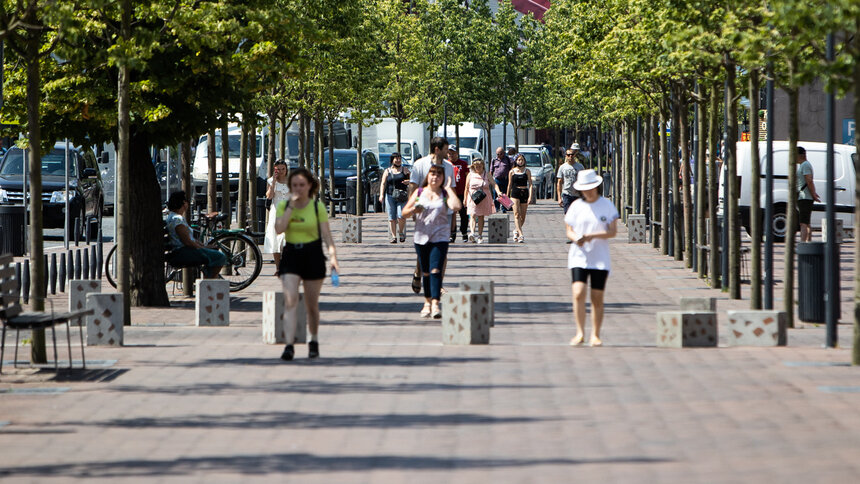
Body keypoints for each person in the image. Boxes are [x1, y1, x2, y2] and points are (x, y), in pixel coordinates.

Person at [274, 167, 340, 361]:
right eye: (294, 185)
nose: (298, 189)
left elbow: (327, 236)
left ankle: (314, 340)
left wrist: (333, 257)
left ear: (309, 186)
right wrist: (290, 208)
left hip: (313, 254)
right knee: (291, 299)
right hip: (292, 253)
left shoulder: (316, 207)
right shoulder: (284, 206)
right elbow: (279, 229)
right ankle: (289, 345)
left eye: (302, 185)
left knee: (312, 304)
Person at [564, 169, 618, 347]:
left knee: (596, 296)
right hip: (579, 256)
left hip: (599, 257)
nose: (588, 192)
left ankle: (595, 334)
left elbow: (612, 232)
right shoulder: (576, 206)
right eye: (585, 189)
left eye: (591, 188)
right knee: (578, 292)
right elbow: (569, 230)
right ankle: (580, 332)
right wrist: (576, 238)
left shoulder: (607, 205)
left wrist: (591, 236)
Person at [402, 164, 462, 318]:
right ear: (427, 176)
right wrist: (414, 210)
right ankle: (427, 302)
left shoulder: (444, 193)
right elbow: (404, 213)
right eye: (432, 174)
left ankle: (435, 304)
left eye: (438, 174)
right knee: (427, 272)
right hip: (421, 238)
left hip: (440, 238)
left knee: (436, 270)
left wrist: (449, 189)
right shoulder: (419, 192)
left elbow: (456, 206)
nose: (435, 177)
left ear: (442, 178)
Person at [408, 137, 455, 293]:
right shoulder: (419, 165)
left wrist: (453, 214)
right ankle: (418, 271)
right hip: (424, 213)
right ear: (437, 149)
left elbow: (451, 191)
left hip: (443, 213)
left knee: (441, 250)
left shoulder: (449, 167)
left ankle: (438, 284)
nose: (447, 153)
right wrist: (414, 208)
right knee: (425, 248)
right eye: (445, 150)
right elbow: (413, 188)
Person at [164, 191, 227, 278]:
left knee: (214, 252)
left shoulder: (172, 217)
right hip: (182, 253)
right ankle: (208, 283)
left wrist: (203, 246)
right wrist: (203, 248)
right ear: (183, 203)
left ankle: (208, 280)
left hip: (181, 251)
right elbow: (188, 242)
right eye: (186, 200)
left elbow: (190, 240)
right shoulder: (177, 220)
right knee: (220, 257)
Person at [264, 160, 290, 274]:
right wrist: (273, 182)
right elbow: (269, 196)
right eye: (278, 169)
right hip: (276, 212)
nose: (281, 172)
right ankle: (278, 268)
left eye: (283, 169)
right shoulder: (271, 181)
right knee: (276, 239)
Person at [378, 152, 410, 243]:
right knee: (392, 217)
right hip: (390, 196)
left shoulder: (405, 170)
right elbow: (383, 183)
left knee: (401, 216)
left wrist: (409, 181)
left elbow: (413, 180)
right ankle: (393, 236)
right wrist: (381, 195)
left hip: (402, 196)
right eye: (396, 158)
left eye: (400, 158)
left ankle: (401, 232)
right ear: (392, 160)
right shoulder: (387, 171)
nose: (398, 160)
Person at [464, 158, 496, 243]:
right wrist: (465, 199)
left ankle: (480, 235)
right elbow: (466, 188)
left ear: (483, 166)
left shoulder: (487, 174)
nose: (478, 168)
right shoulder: (470, 175)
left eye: (479, 166)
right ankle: (472, 233)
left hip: (483, 198)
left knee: (481, 216)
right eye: (476, 166)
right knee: (472, 215)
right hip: (472, 198)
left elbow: (494, 184)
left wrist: (499, 192)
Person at [507, 154, 533, 243]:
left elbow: (530, 184)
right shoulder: (512, 172)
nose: (520, 161)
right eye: (518, 160)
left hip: (524, 192)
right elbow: (509, 184)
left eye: (522, 160)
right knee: (517, 214)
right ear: (516, 161)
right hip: (515, 193)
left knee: (523, 216)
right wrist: (507, 196)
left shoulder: (527, 171)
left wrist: (530, 196)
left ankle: (516, 231)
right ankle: (521, 234)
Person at [796, 146, 820, 242]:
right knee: (807, 222)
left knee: (803, 223)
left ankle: (803, 243)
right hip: (804, 196)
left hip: (805, 197)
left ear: (801, 155)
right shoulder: (803, 165)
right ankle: (808, 242)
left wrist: (813, 194)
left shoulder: (805, 165)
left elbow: (809, 180)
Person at [448, 145, 470, 243]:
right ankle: (452, 234)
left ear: (457, 153)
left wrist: (468, 192)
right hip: (450, 194)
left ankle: (464, 233)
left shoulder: (463, 164)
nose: (451, 155)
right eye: (449, 153)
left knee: (463, 215)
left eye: (453, 153)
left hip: (461, 193)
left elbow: (467, 178)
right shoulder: (446, 164)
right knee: (451, 215)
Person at [557, 144, 585, 215]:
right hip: (567, 194)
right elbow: (559, 182)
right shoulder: (562, 167)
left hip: (577, 194)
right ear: (566, 156)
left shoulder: (580, 166)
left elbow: (584, 181)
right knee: (568, 215)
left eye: (572, 155)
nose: (570, 156)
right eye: (568, 155)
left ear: (574, 155)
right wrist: (559, 197)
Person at [489, 146, 512, 212]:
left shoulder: (507, 159)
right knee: (496, 194)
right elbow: (491, 170)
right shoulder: (494, 160)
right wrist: (490, 180)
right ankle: (497, 207)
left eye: (500, 154)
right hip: (497, 179)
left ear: (504, 153)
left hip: (505, 179)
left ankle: (504, 208)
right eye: (497, 154)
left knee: (504, 194)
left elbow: (510, 169)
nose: (499, 155)